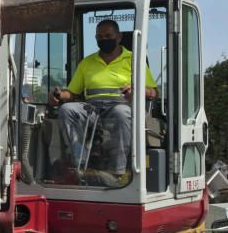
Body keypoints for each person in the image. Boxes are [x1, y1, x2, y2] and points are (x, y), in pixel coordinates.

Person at [49, 19, 157, 185]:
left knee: (122, 113)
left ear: (119, 37)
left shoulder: (133, 60)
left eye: (108, 36)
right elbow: (72, 93)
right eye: (99, 37)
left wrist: (137, 91)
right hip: (92, 108)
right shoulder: (87, 62)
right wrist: (58, 95)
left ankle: (117, 172)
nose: (103, 40)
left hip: (120, 105)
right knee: (67, 110)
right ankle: (80, 163)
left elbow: (154, 92)